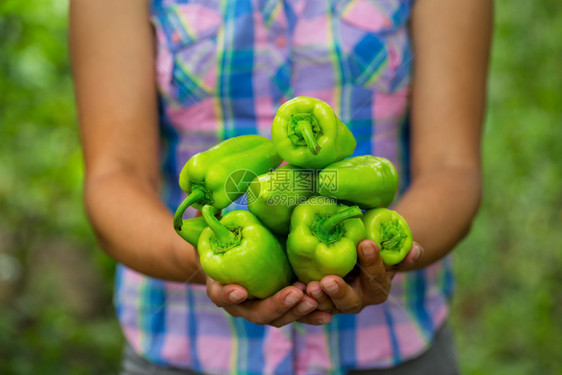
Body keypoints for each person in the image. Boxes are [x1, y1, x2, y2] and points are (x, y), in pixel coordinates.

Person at [69, 0, 492, 373]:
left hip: (396, 348)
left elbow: (451, 167)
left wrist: (381, 253)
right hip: (184, 351)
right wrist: (203, 260)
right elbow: (115, 175)